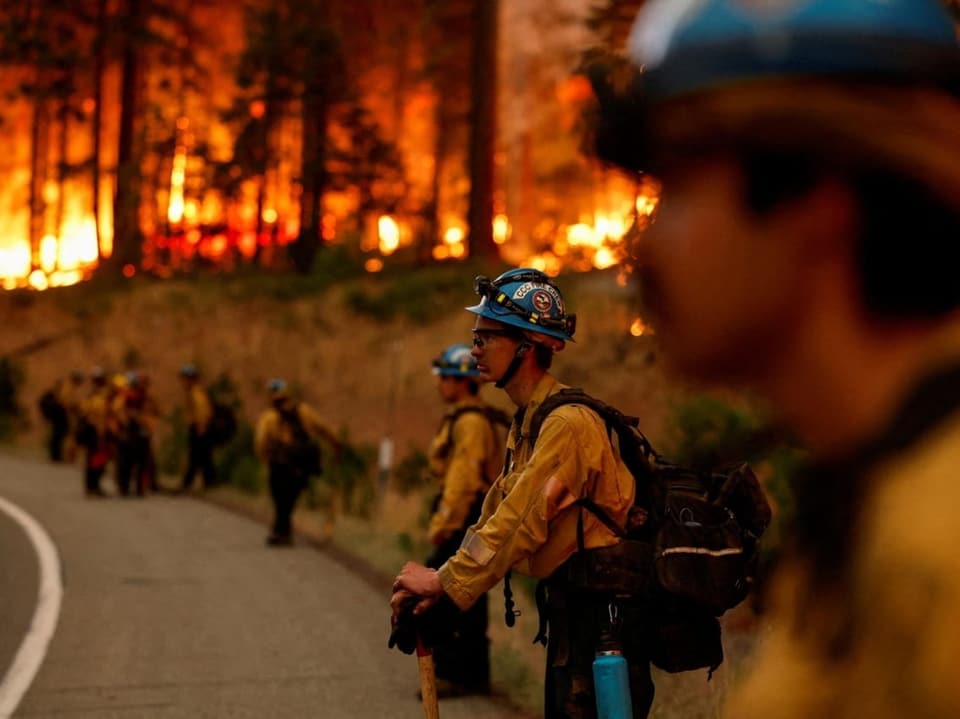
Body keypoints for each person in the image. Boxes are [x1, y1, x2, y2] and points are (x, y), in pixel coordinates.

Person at [594, 1, 960, 716]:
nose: (645, 247)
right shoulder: (874, 498)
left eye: (681, 188)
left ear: (819, 205)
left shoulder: (940, 550)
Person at [391, 269, 648, 718]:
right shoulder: (528, 422)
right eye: (476, 335)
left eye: (486, 336)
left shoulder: (566, 425)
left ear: (527, 346)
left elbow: (521, 521)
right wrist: (446, 588)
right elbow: (496, 516)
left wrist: (445, 585)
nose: (475, 348)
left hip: (604, 627)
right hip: (572, 613)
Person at [421, 343, 505, 697]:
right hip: (471, 514)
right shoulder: (469, 416)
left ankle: (454, 672)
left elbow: (463, 480)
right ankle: (474, 674)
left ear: (461, 381)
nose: (440, 383)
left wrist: (444, 525)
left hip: (465, 515)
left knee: (443, 589)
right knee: (468, 594)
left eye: (445, 376)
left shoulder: (470, 422)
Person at [254, 379, 341, 546]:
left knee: (280, 499)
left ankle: (281, 532)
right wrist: (336, 444)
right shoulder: (303, 411)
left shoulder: (269, 417)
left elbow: (260, 441)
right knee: (289, 499)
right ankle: (281, 531)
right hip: (302, 466)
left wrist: (265, 458)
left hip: (279, 465)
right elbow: (323, 428)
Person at [178, 363, 215, 491]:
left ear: (191, 379)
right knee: (203, 458)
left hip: (199, 428)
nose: (183, 381)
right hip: (199, 427)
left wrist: (201, 427)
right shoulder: (194, 392)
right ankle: (208, 482)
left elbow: (203, 411)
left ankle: (188, 483)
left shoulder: (196, 393)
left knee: (197, 457)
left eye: (185, 378)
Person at [77, 366, 111, 497]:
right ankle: (93, 487)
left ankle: (92, 487)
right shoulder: (98, 396)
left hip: (94, 431)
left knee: (94, 459)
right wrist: (100, 433)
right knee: (97, 460)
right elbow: (96, 416)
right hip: (96, 432)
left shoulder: (94, 395)